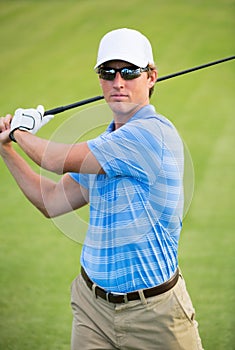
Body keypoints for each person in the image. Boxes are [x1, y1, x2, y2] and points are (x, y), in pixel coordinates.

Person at [0, 28, 203, 350]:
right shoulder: (107, 144)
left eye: (130, 72)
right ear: (99, 80)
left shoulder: (151, 135)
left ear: (151, 76)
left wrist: (18, 131)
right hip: (92, 308)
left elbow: (55, 159)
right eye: (108, 73)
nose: (118, 82)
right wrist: (7, 149)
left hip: (155, 314)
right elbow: (51, 201)